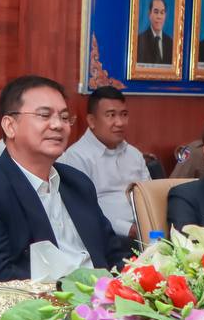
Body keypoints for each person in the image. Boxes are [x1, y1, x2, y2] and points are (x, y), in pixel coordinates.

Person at [0, 76, 130, 288]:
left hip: (107, 300)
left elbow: (114, 256)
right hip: (46, 303)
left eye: (64, 117)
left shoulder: (78, 183)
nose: (58, 125)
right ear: (10, 126)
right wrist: (77, 291)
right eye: (44, 115)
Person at [59, 87, 150, 241]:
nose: (120, 122)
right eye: (111, 115)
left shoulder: (134, 154)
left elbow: (149, 195)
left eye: (124, 115)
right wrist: (127, 229)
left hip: (144, 230)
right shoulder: (76, 157)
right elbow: (83, 210)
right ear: (92, 121)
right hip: (107, 237)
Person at [135, 0, 174, 65]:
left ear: (165, 15)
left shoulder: (171, 43)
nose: (159, 17)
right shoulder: (139, 41)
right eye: (156, 12)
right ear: (149, 14)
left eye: (162, 13)